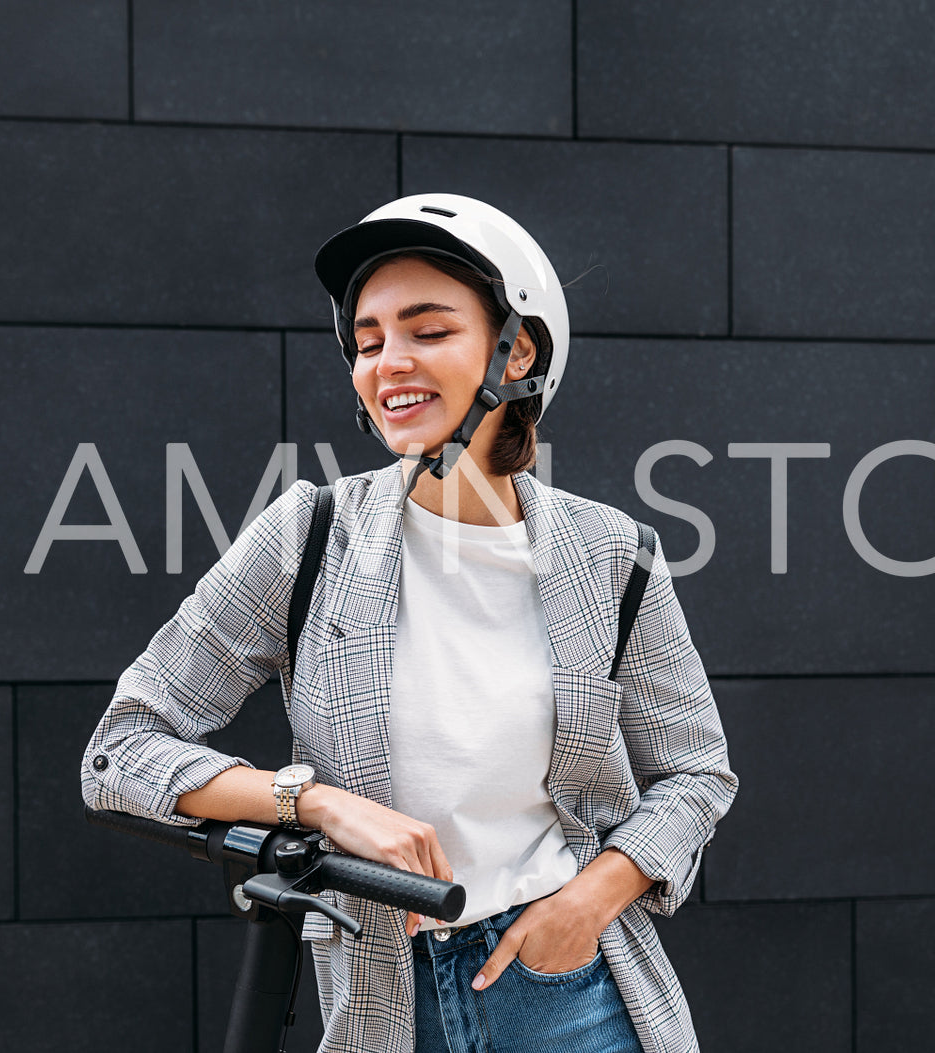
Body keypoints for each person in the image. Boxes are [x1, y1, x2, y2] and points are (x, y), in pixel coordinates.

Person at [80, 192, 738, 1053]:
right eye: (368, 339)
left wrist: (586, 901)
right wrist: (313, 804)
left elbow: (696, 774)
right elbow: (118, 751)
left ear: (517, 349)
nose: (389, 360)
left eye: (428, 331)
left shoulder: (614, 554)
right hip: (387, 1006)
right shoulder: (308, 534)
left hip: (569, 995)